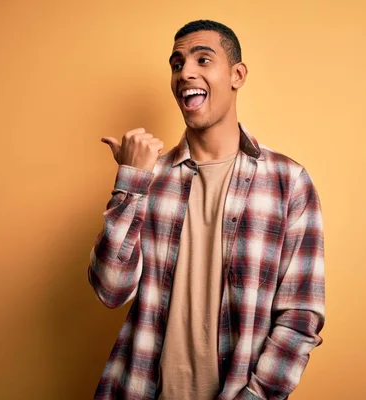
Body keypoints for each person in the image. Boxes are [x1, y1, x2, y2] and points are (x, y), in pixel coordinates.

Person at [88, 19, 325, 400]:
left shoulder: (288, 182)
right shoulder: (149, 179)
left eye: (203, 59)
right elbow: (110, 289)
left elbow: (300, 318)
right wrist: (130, 182)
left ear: (237, 74)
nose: (186, 73)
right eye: (177, 63)